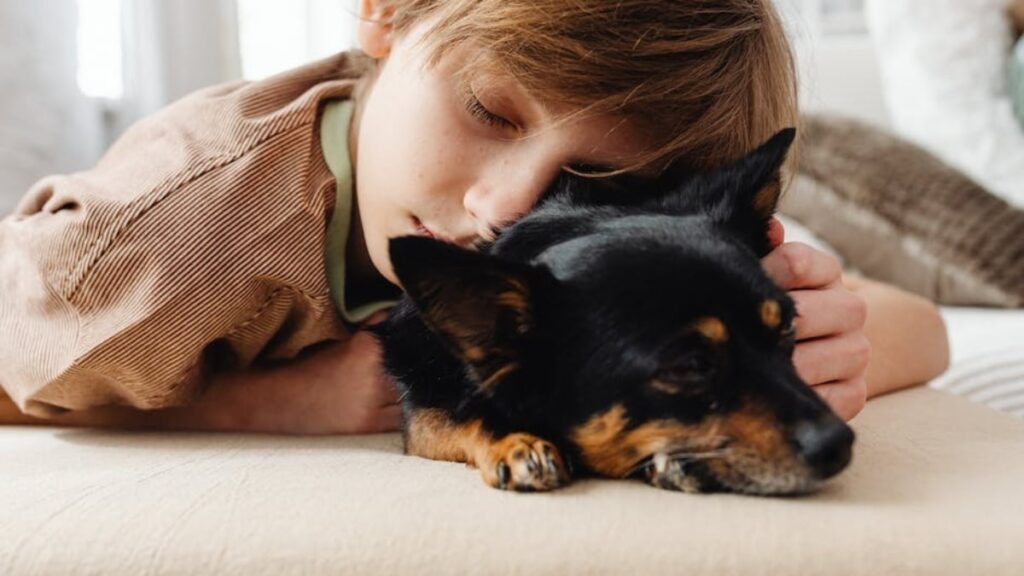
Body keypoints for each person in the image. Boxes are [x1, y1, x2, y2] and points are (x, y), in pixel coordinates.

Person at [0, 0, 949, 434]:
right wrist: (252, 404)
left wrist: (817, 339)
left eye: (596, 182)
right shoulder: (160, 255)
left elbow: (925, 328)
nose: (506, 207)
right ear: (387, 14)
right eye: (490, 113)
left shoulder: (607, 247)